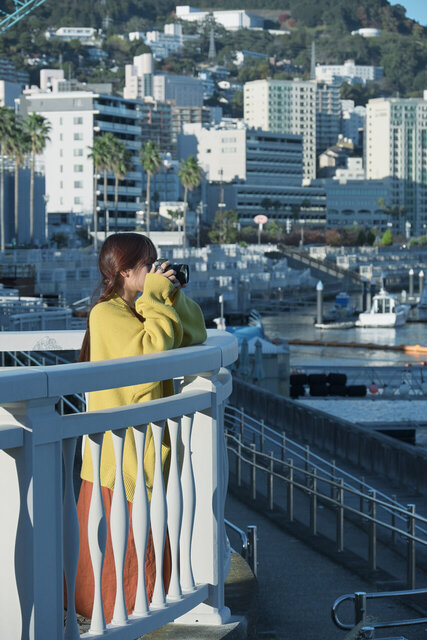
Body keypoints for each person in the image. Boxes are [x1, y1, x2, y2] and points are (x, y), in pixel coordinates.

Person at [74, 232, 207, 622]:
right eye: (148, 264)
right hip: (121, 459)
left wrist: (171, 295)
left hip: (143, 451)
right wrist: (155, 297)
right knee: (122, 563)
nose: (154, 270)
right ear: (124, 270)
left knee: (143, 553)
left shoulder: (139, 308)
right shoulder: (106, 314)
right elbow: (151, 353)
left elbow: (195, 333)